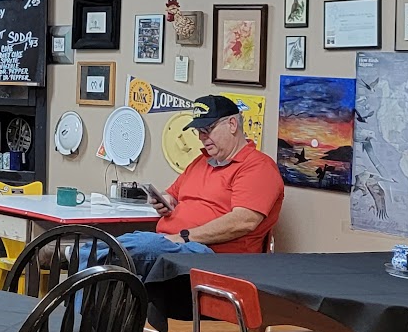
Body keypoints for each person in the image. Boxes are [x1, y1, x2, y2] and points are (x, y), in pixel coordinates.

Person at [114, 93, 283, 278]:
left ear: (232, 124)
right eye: (199, 131)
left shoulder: (258, 167)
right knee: (108, 245)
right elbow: (172, 194)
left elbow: (243, 221)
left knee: (130, 248)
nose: (202, 138)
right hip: (172, 243)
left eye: (208, 129)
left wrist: (184, 237)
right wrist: (165, 201)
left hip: (212, 256)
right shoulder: (201, 162)